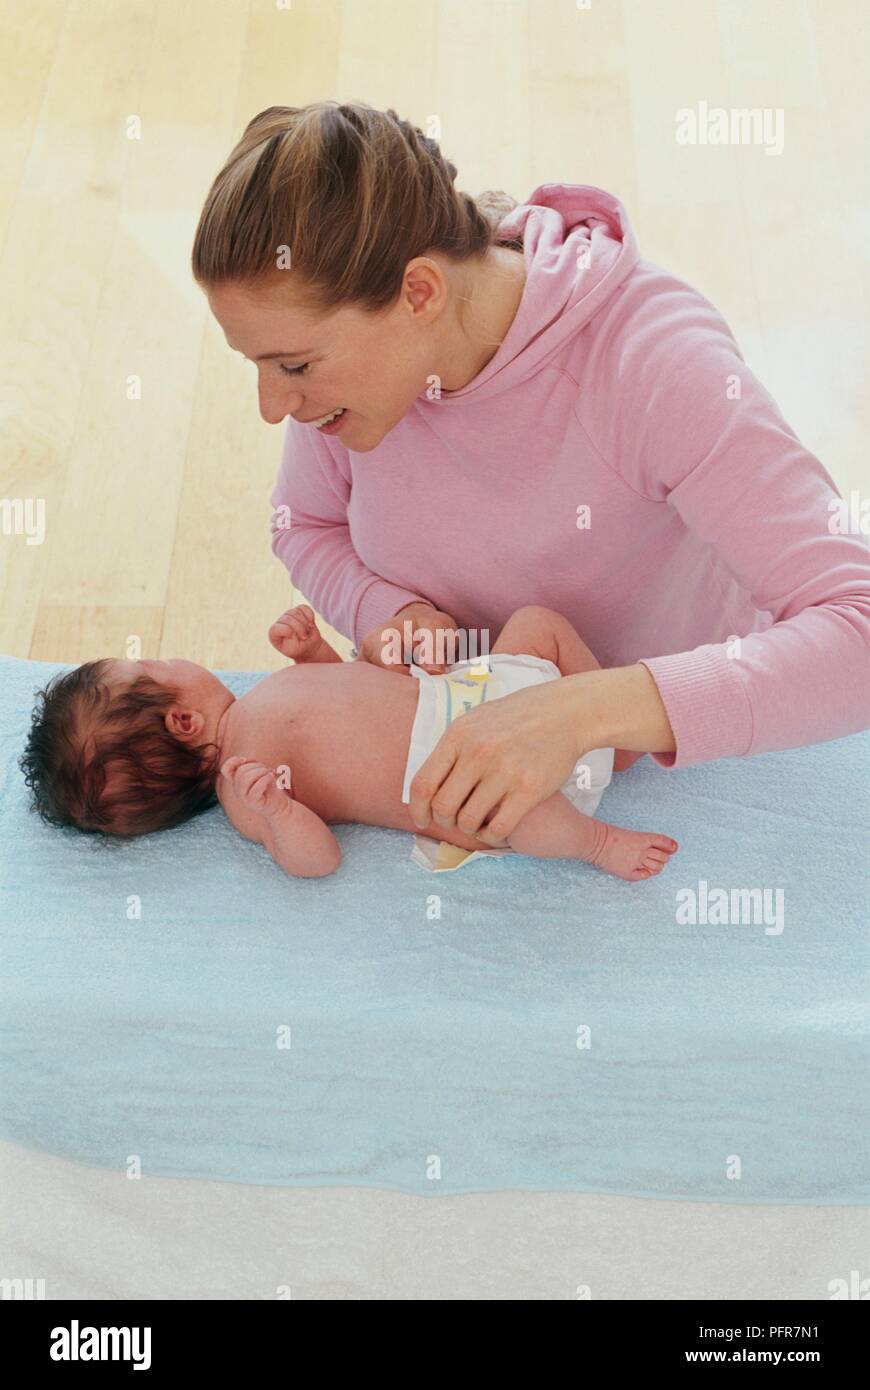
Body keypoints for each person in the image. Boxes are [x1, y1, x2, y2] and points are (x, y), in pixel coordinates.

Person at [189, 99, 870, 849]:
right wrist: (384, 610)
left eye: (293, 366)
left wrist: (579, 713)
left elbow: (859, 626)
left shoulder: (654, 363)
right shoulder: (348, 393)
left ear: (419, 293)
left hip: (677, 771)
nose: (272, 406)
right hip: (444, 749)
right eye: (258, 365)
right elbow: (304, 523)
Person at [18, 604, 679, 883]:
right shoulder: (244, 785)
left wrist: (314, 653)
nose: (173, 659)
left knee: (538, 624)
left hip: (479, 693)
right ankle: (598, 843)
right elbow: (317, 861)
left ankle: (617, 737)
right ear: (182, 721)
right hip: (458, 777)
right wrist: (279, 814)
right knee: (520, 817)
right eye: (159, 666)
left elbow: (350, 691)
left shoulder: (264, 695)